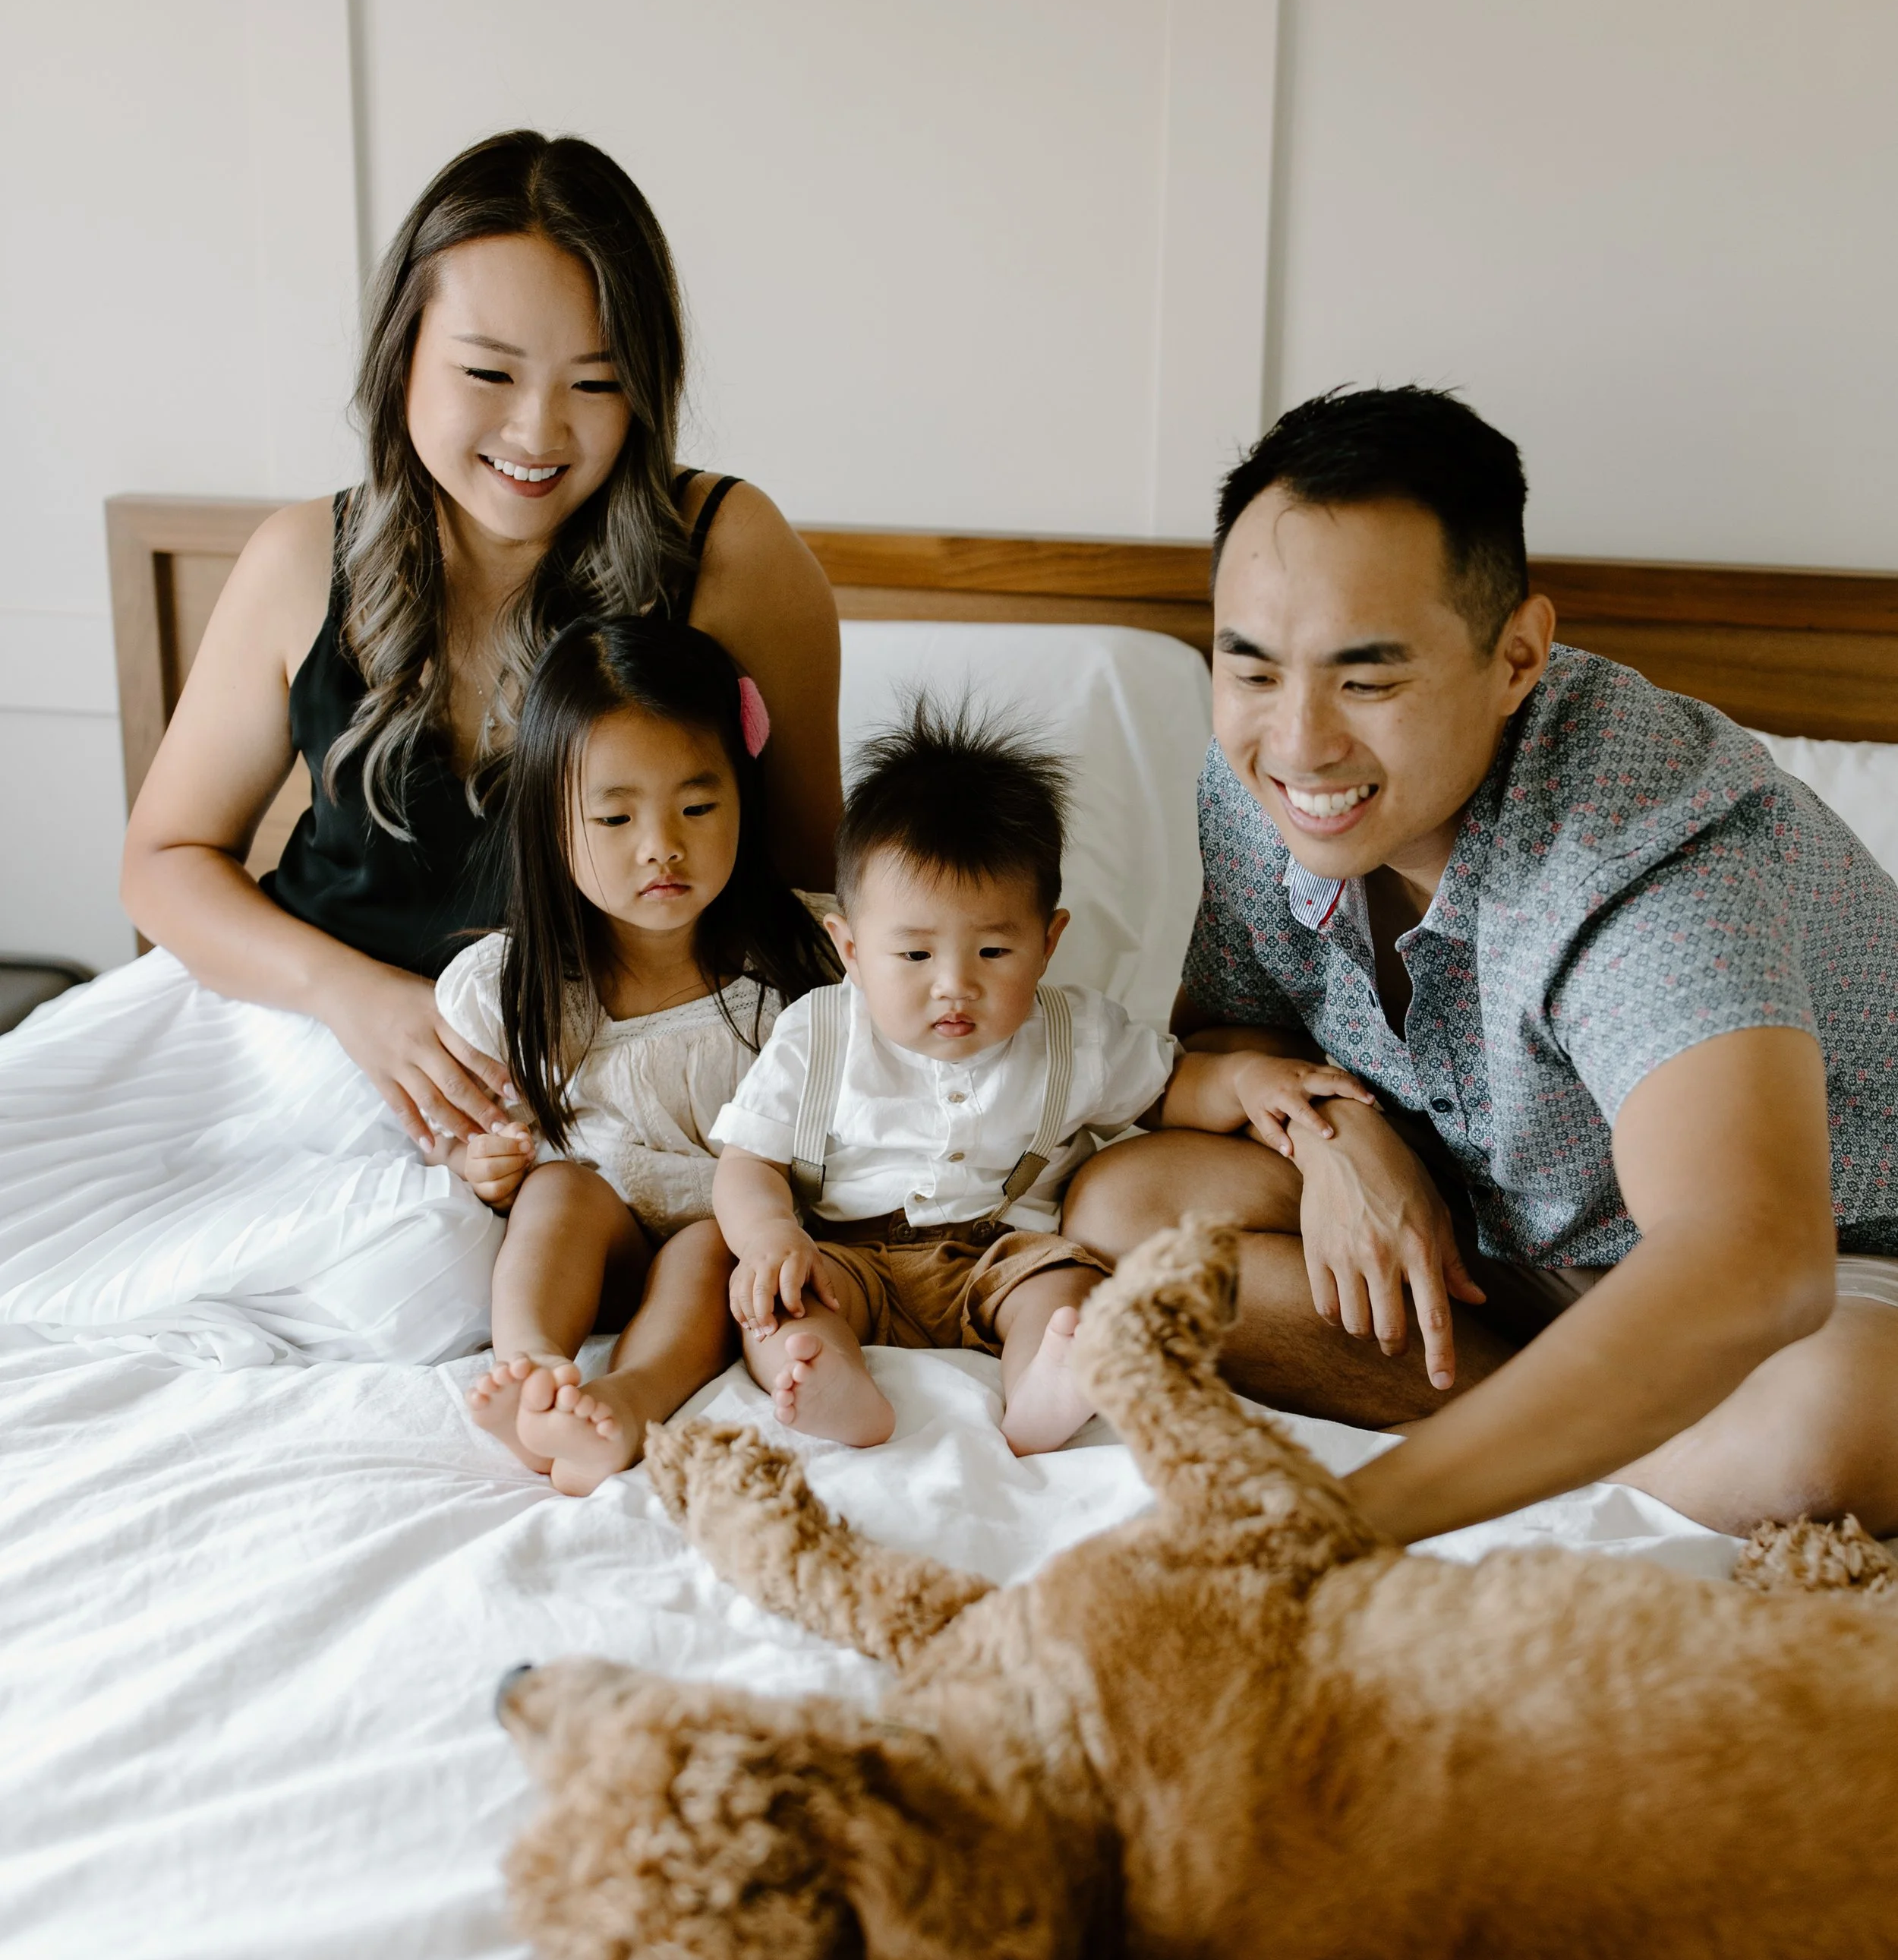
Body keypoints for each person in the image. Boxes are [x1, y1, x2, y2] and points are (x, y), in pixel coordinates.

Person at [0, 130, 841, 1365]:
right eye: (489, 373)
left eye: (596, 383)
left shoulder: (731, 551)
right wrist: (358, 1003)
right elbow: (163, 860)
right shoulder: (303, 557)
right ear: (403, 362)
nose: (539, 430)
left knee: (416, 1286)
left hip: (538, 1091)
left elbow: (802, 888)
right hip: (286, 1014)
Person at [1061, 385, 1898, 1543]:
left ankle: (1572, 1421)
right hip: (1490, 1251)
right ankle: (1587, 1415)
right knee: (1130, 1205)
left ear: (1517, 657)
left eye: (1367, 680)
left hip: (1828, 1268)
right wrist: (1341, 1139)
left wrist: (1354, 1522)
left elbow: (1754, 1260)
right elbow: (1226, 1040)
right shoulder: (1255, 788)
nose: (1299, 742)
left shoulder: (1646, 838)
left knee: (1823, 1429)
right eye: (1250, 669)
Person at [709, 699, 1373, 1451]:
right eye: (915, 956)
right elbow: (747, 1159)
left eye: (993, 953)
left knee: (1070, 1291)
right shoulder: (818, 1033)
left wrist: (1247, 1078)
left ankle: (1042, 1391)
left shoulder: (1074, 1034)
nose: (953, 985)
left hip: (1005, 1257)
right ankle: (828, 1380)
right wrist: (768, 1237)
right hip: (847, 1255)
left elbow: (1171, 1089)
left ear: (1048, 940)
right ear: (852, 949)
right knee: (778, 1306)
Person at [443, 617, 833, 1493]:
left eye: (697, 807)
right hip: (600, 1234)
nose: (661, 845)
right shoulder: (516, 984)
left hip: (726, 1224)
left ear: (744, 796)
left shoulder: (812, 956)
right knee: (558, 1190)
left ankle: (626, 1403)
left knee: (707, 1249)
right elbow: (468, 1126)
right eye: (615, 816)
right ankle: (533, 1368)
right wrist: (483, 1162)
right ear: (553, 821)